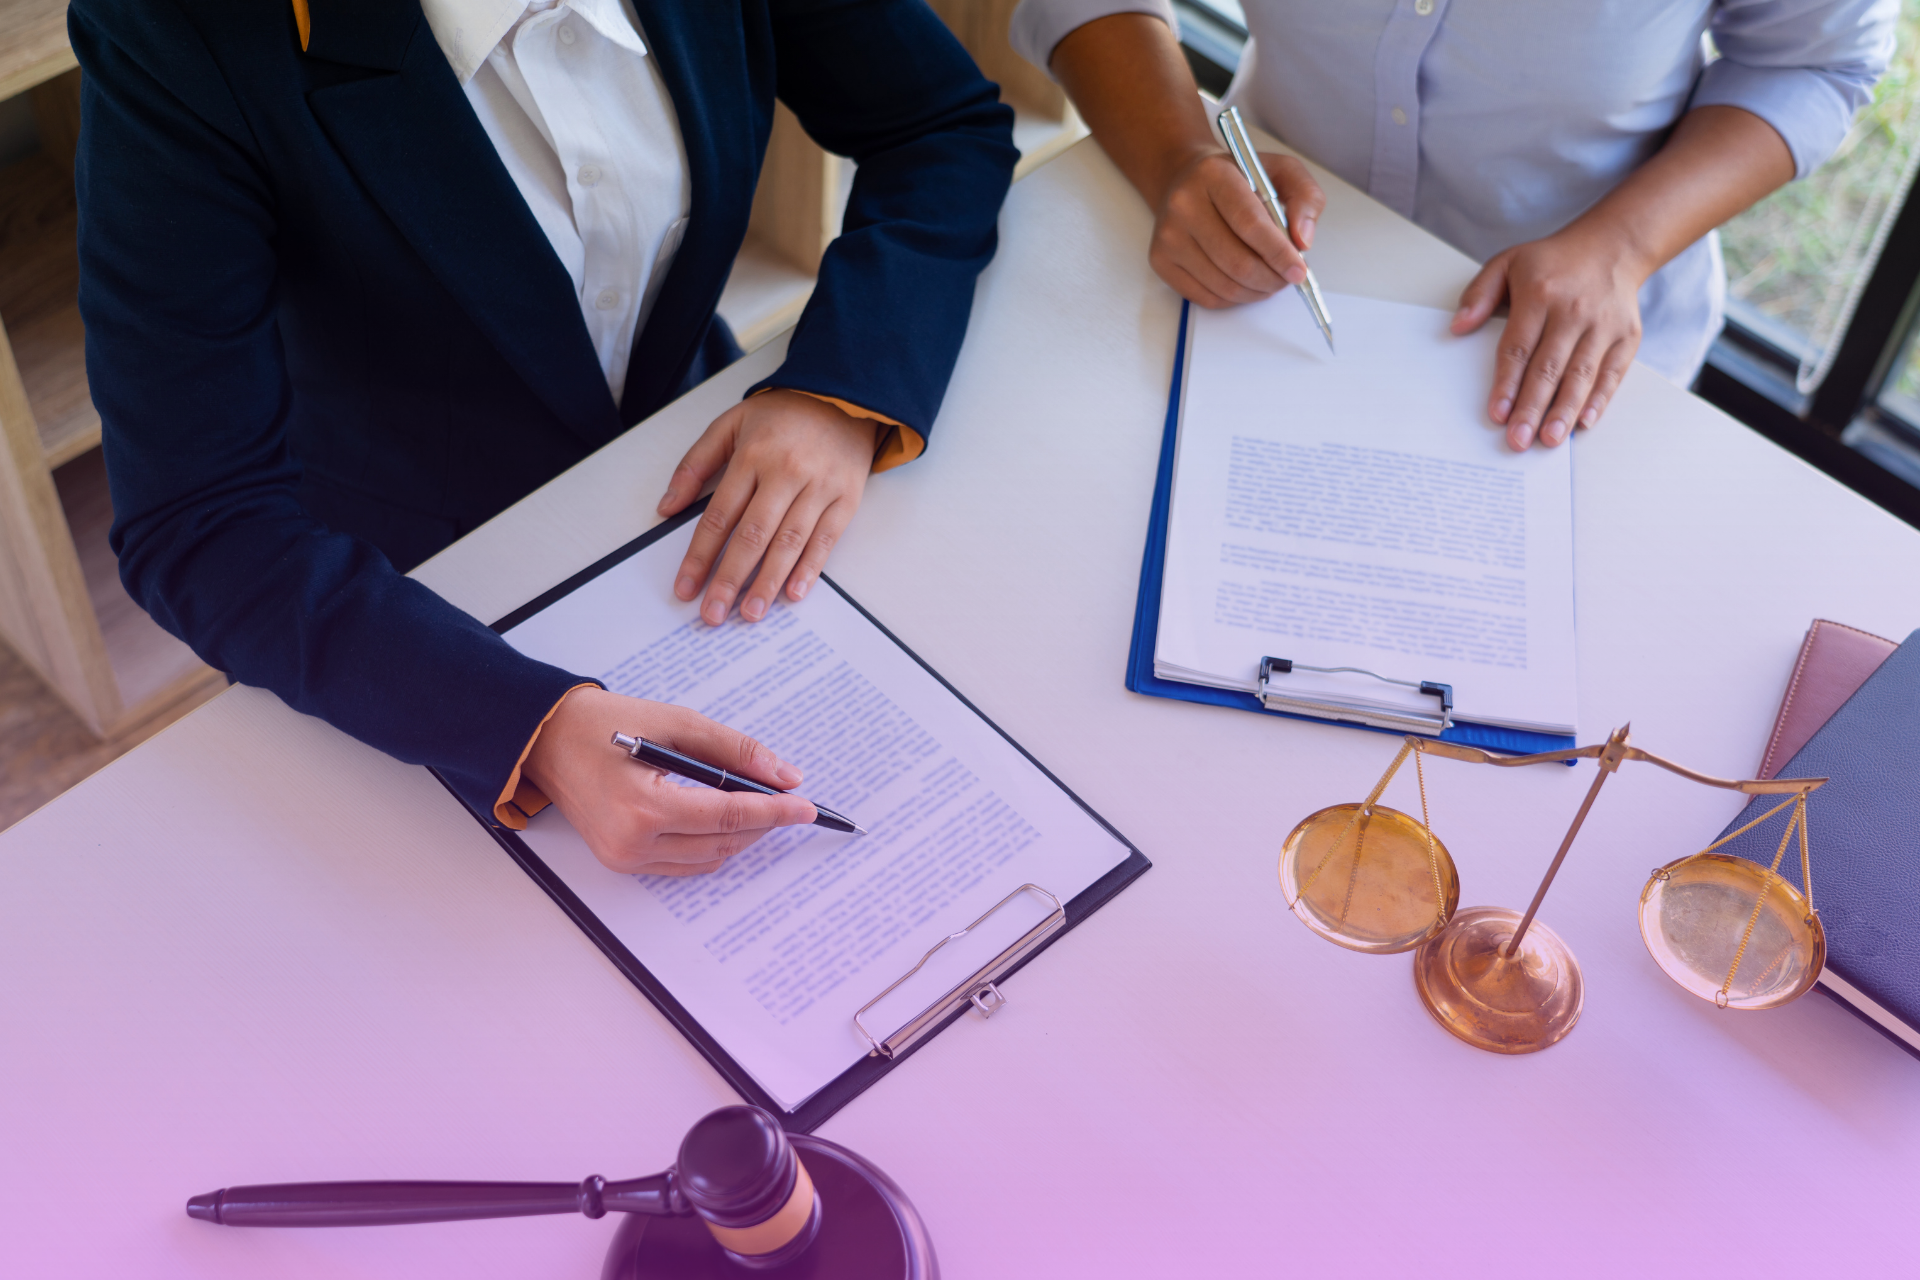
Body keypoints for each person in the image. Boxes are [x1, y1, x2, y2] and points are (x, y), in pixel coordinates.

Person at [72, 0, 1016, 875]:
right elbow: (196, 522)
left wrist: (839, 388)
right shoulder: (174, 29)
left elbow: (936, 125)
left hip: (687, 477)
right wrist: (532, 728)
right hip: (413, 589)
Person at [1010, 0, 1896, 450]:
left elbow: (1818, 63)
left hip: (1565, 351)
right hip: (1248, 278)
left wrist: (1622, 248)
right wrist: (1174, 156)